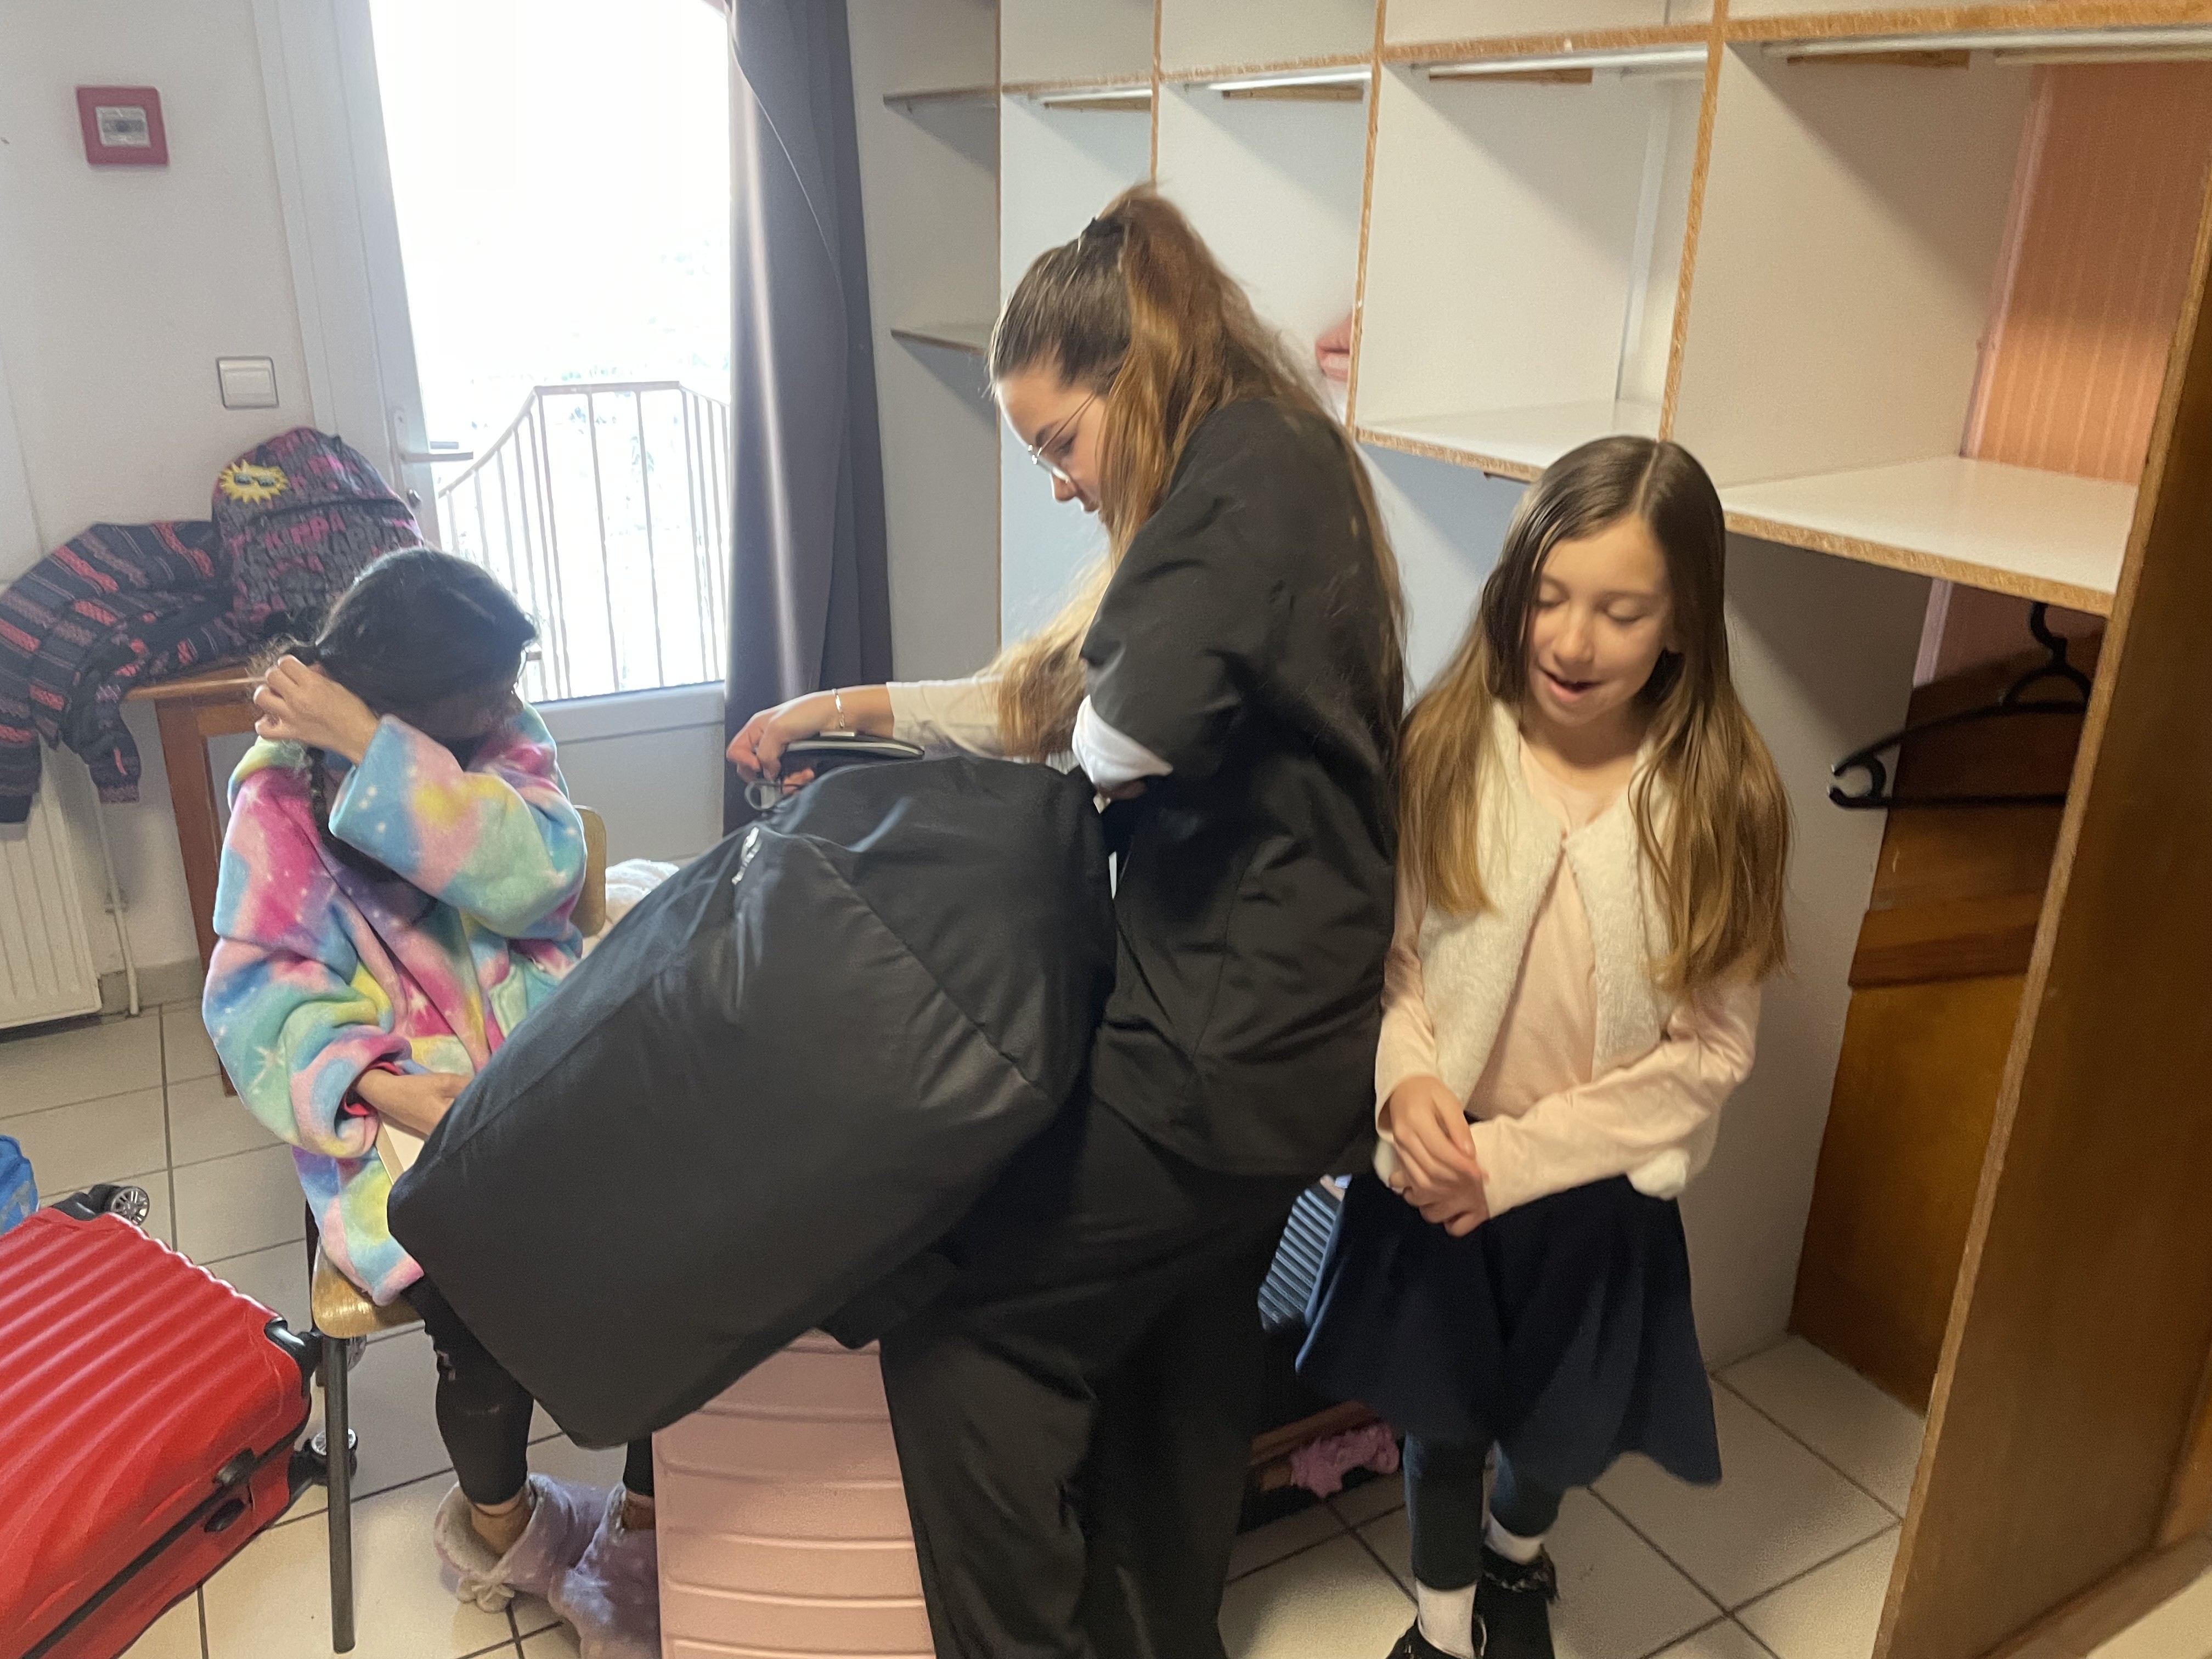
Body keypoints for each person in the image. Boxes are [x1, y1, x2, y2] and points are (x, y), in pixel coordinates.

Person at [727, 186, 1405, 1657]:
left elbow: (1108, 739)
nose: (1055, 484)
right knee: (1179, 1361)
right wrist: (853, 708)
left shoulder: (1248, 473)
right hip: (1281, 1053)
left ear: (1136, 373)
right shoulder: (1260, 462)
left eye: (1059, 443)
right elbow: (1059, 698)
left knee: (968, 1331)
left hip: (1225, 1058)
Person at [1296, 437, 1791, 1659]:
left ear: (1684, 621)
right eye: (1550, 598)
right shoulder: (1448, 747)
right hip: (1437, 1170)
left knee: (1559, 1435)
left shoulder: (1722, 802)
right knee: (1440, 1421)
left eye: (1621, 612)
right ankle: (1443, 1626)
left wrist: (1511, 1165)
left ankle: (1515, 1559)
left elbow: (1712, 1051)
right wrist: (1409, 1078)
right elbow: (1398, 964)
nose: (1572, 642)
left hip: (1589, 1193)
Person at [201, 549, 657, 1659]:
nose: (508, 705)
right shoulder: (277, 798)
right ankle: (506, 1532)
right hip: (395, 1107)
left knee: (670, 1254)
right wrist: (391, 1092)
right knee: (482, 1313)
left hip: (547, 1056)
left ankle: (645, 1525)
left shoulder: (499, 734)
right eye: (484, 690)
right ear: (404, 692)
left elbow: (543, 880)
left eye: (511, 684)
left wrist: (375, 748)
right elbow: (258, 999)